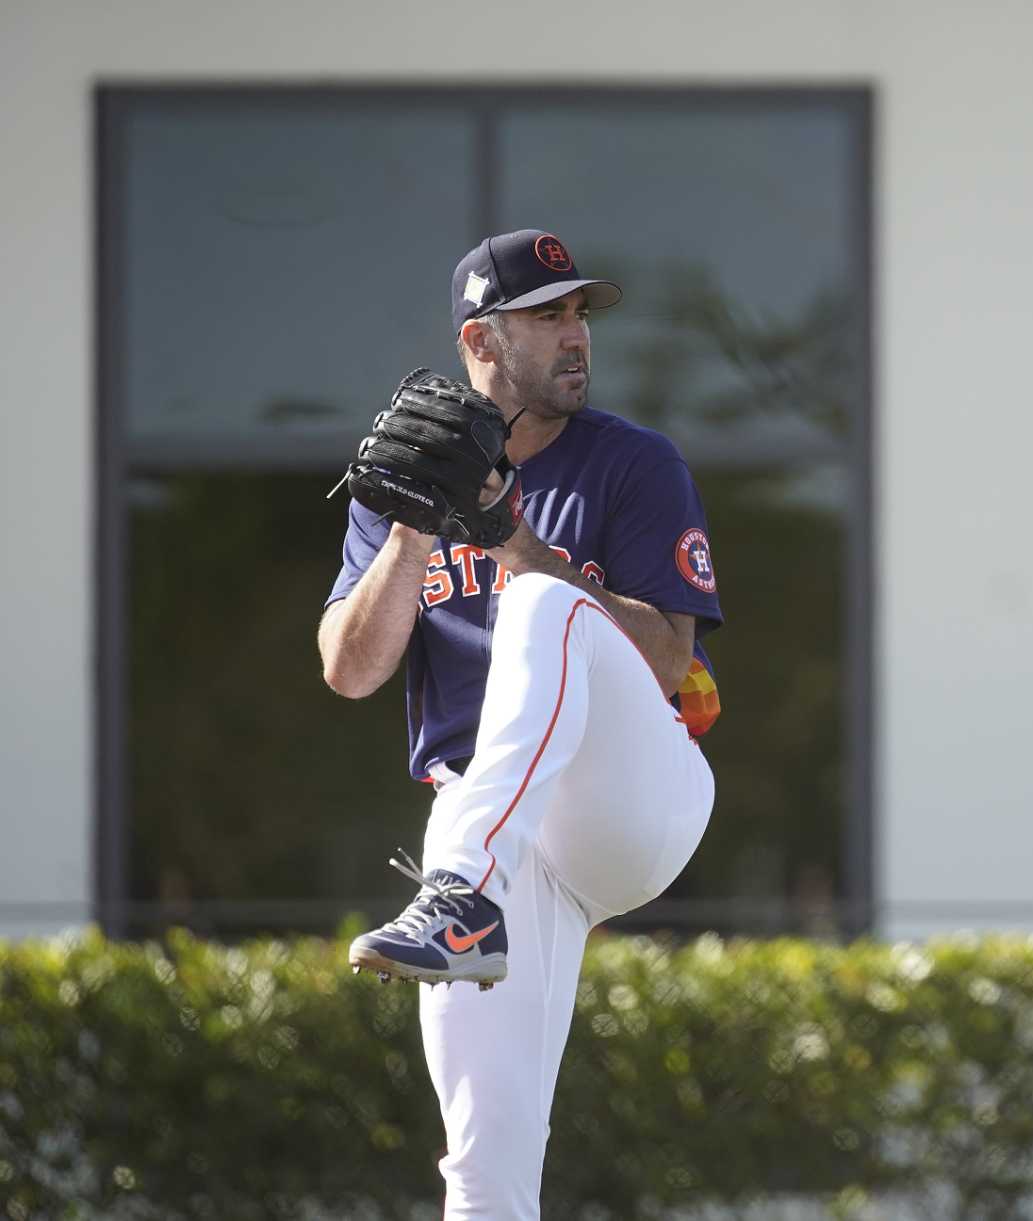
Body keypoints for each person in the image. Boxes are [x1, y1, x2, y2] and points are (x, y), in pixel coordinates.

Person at [317, 229, 724, 1219]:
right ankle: (466, 894)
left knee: (538, 607)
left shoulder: (632, 462)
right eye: (548, 316)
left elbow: (669, 661)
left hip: (631, 796)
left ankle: (458, 892)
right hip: (501, 839)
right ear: (481, 341)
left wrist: (507, 536)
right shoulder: (401, 488)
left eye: (580, 312)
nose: (576, 334)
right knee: (481, 1164)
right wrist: (415, 526)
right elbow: (350, 670)